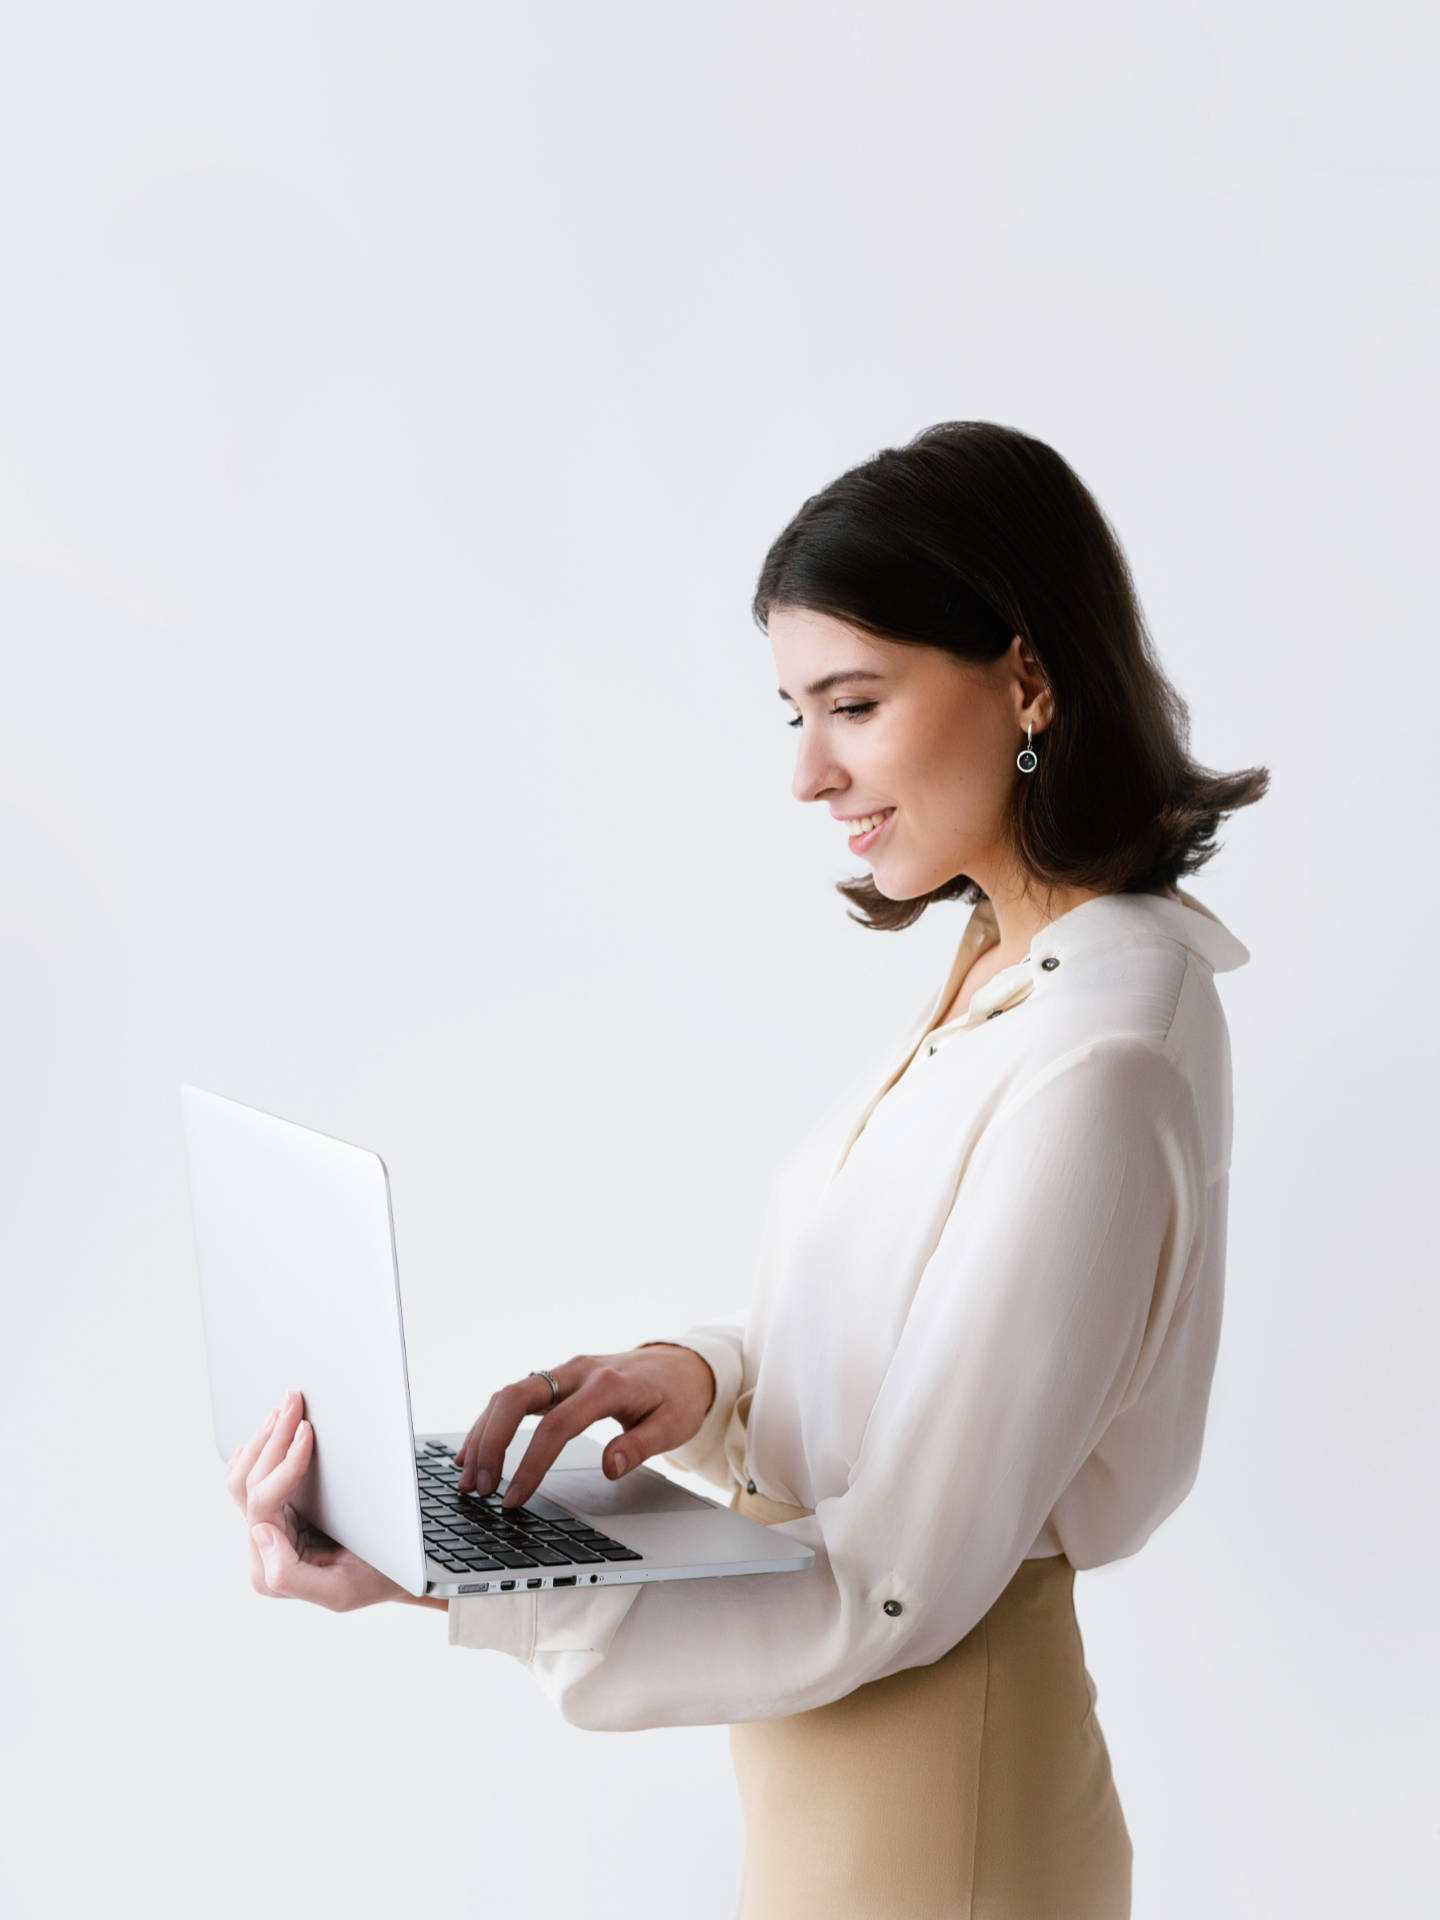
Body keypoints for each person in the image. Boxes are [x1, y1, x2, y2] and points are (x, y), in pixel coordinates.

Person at [226, 421, 1268, 1918]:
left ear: (1030, 680)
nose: (807, 772)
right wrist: (704, 1382)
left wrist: (453, 1580)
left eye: (853, 703)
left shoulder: (1100, 1057)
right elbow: (905, 1365)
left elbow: (890, 1581)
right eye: (794, 709)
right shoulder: (1005, 969)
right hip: (851, 1767)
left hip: (935, 1793)